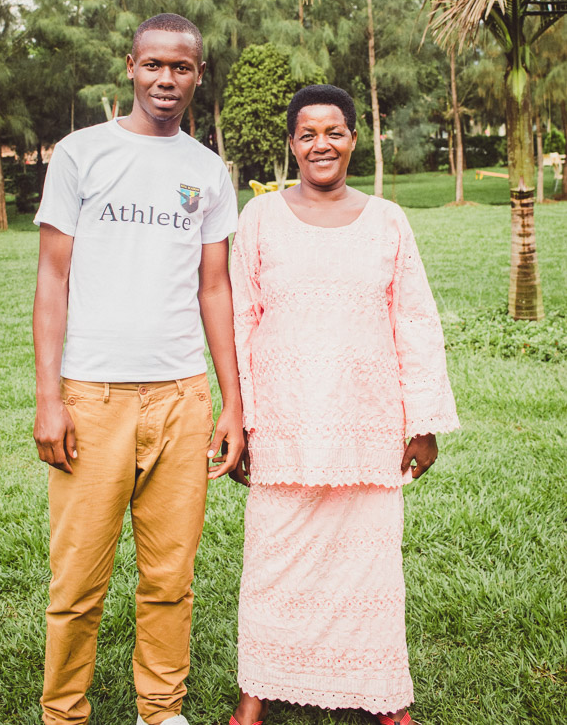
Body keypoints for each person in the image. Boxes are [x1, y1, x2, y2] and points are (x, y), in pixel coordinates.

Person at [32, 13, 244, 725]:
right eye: (153, 65)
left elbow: (215, 288)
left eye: (180, 68)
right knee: (78, 581)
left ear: (197, 76)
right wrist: (48, 399)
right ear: (131, 65)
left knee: (169, 576)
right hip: (91, 397)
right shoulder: (80, 154)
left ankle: (161, 707)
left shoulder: (206, 170)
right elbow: (51, 280)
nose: (165, 79)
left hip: (181, 397)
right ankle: (63, 711)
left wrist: (230, 402)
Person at [229, 84, 459, 725]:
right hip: (284, 421)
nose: (321, 144)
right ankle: (257, 692)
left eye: (334, 132)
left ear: (355, 138)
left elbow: (415, 321)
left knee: (368, 562)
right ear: (291, 144)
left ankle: (382, 693)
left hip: (369, 420)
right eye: (307, 134)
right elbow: (241, 320)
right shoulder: (259, 220)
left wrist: (425, 422)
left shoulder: (389, 220)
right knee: (273, 558)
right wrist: (241, 421)